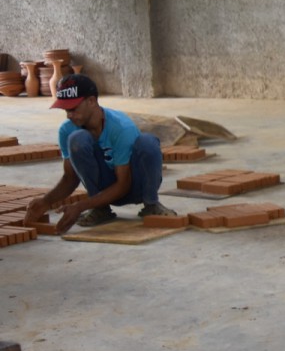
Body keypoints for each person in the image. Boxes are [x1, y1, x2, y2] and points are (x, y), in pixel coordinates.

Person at [24, 74, 176, 233]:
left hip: (134, 187)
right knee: (77, 139)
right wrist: (45, 201)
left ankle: (151, 203)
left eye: (73, 108)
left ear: (91, 101)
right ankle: (101, 209)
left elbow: (123, 185)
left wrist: (80, 206)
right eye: (65, 110)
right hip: (103, 189)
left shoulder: (121, 127)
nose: (69, 115)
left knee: (147, 143)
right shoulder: (67, 130)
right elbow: (70, 178)